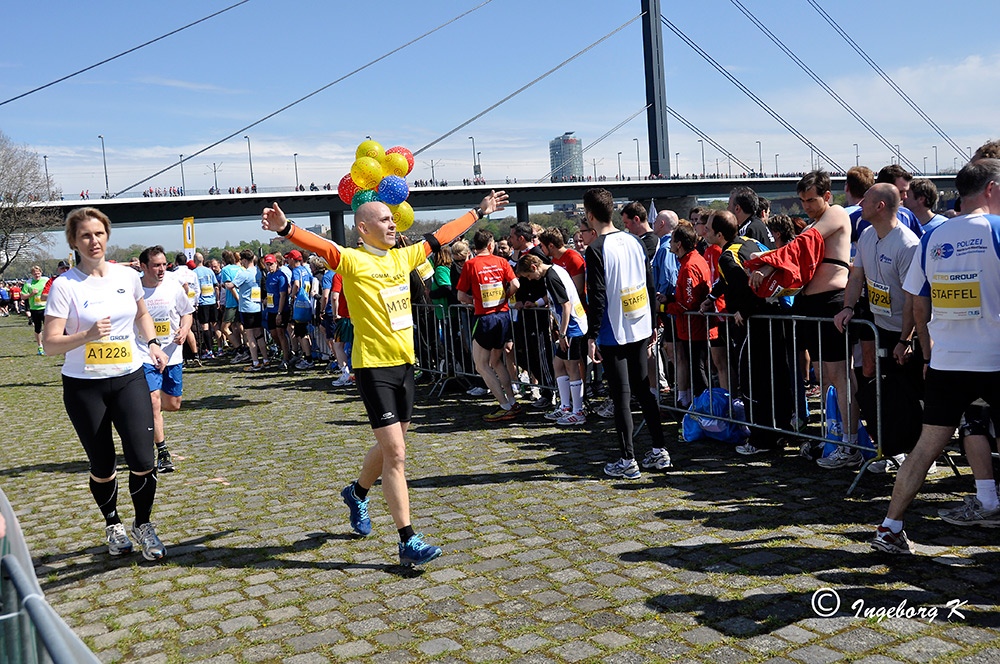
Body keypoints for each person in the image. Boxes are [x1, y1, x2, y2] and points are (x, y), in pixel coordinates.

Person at [261, 190, 508, 566]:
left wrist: (479, 211)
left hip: (405, 365)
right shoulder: (353, 261)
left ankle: (357, 493)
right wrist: (287, 229)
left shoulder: (403, 257)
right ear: (363, 228)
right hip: (372, 367)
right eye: (384, 220)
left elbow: (441, 236)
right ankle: (408, 540)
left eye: (393, 220)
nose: (393, 224)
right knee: (396, 453)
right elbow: (323, 246)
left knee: (392, 446)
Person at [872, 159, 1000, 554]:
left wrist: (927, 353)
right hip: (994, 359)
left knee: (925, 449)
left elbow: (918, 304)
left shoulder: (933, 237)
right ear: (992, 190)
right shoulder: (996, 229)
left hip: (947, 362)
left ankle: (890, 527)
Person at [42, 207, 169, 561]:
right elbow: (50, 343)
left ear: (107, 236)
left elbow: (142, 314)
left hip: (128, 378)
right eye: (85, 236)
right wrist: (85, 335)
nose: (93, 241)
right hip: (85, 386)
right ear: (74, 242)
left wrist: (154, 344)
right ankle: (113, 524)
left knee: (144, 458)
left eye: (98, 234)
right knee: (103, 465)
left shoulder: (126, 276)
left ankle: (143, 524)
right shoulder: (65, 285)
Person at [582, 188, 669, 479]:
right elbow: (649, 282)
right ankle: (659, 450)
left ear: (590, 215)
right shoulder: (634, 240)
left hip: (613, 329)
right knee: (643, 390)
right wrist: (654, 322)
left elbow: (596, 295)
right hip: (640, 323)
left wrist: (592, 335)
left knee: (621, 395)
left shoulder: (595, 249)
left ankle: (627, 459)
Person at [138, 246, 194, 473]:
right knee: (154, 402)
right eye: (156, 265)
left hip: (172, 352)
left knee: (173, 404)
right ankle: (162, 452)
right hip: (144, 352)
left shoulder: (173, 286)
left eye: (164, 265)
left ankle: (150, 405)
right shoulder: (135, 290)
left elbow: (187, 312)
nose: (162, 269)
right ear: (143, 267)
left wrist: (184, 328)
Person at [515, 254, 588, 425]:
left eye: (528, 276)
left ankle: (578, 411)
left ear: (534, 267)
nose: (530, 280)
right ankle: (564, 406)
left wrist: (562, 334)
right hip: (568, 325)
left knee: (572, 368)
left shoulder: (552, 276)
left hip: (572, 326)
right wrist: (537, 303)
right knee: (558, 365)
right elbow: (552, 296)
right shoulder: (553, 271)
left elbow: (566, 304)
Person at [457, 230, 521, 422]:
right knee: (496, 361)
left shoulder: (470, 264)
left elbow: (460, 297)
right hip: (502, 316)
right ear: (491, 245)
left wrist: (475, 301)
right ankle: (512, 401)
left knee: (481, 365)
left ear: (474, 246)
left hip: (484, 318)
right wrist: (504, 298)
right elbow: (516, 285)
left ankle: (504, 405)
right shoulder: (501, 261)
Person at [224, 250, 267, 371]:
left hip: (247, 307)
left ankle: (255, 362)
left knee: (250, 336)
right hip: (257, 306)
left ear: (244, 260)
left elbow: (231, 286)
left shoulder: (244, 273)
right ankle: (265, 359)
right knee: (259, 335)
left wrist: (226, 283)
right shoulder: (258, 271)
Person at [262, 254, 291, 370]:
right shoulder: (269, 276)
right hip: (271, 308)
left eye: (271, 264)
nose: (270, 267)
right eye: (267, 265)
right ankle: (284, 351)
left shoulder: (281, 276)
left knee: (280, 333)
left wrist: (279, 313)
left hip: (281, 309)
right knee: (273, 334)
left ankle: (286, 358)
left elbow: (283, 295)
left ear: (276, 263)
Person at [193, 252, 220, 359]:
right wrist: (217, 300)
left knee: (205, 327)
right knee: (216, 325)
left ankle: (209, 351)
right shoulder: (209, 271)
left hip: (203, 302)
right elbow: (216, 286)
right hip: (212, 301)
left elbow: (195, 290)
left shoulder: (194, 273)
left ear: (195, 261)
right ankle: (220, 348)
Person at [21, 265, 49, 355]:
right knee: (38, 328)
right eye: (35, 274)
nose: (37, 275)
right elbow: (22, 296)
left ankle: (48, 345)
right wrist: (31, 294)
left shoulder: (46, 280)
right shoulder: (28, 283)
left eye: (38, 273)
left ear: (41, 273)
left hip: (46, 307)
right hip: (35, 309)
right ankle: (40, 346)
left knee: (48, 328)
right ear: (32, 274)